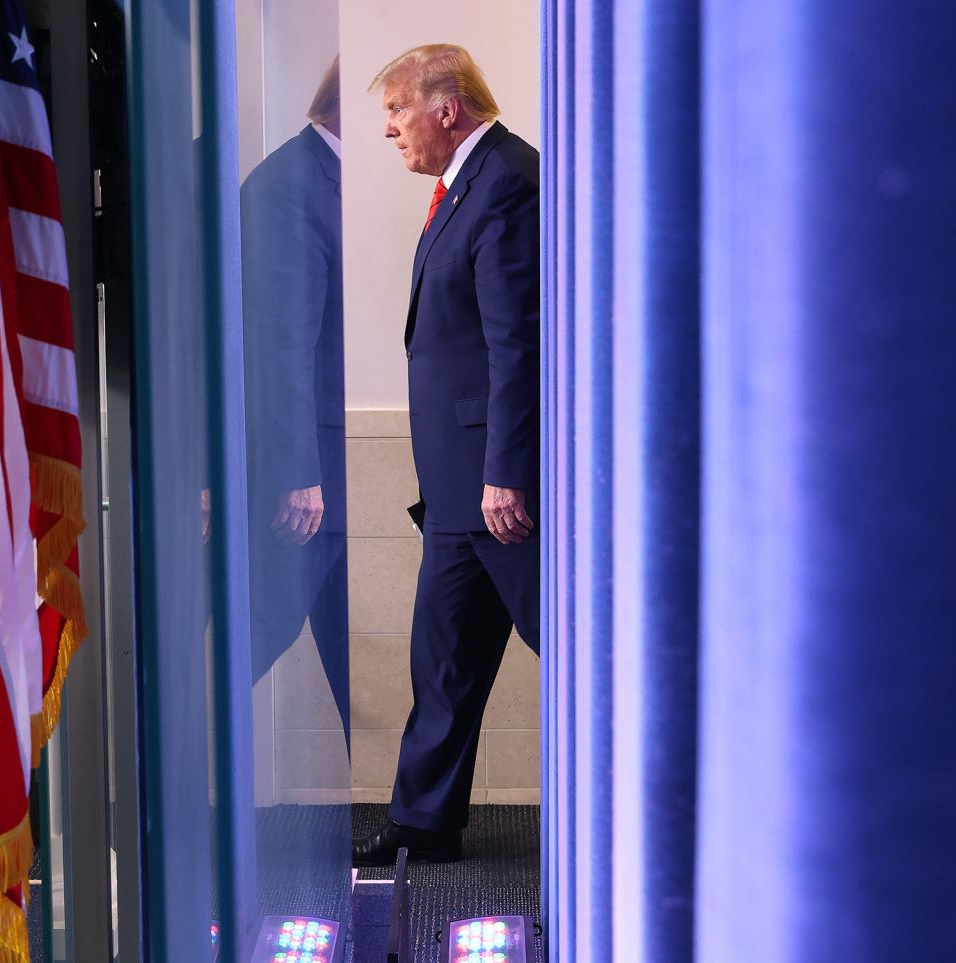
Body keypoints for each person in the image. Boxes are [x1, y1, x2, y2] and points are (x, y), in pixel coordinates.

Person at [352, 44, 540, 867]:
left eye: (396, 110)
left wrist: (507, 470)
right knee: (445, 653)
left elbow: (518, 343)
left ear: (446, 107)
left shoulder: (504, 182)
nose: (390, 129)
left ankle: (659, 797)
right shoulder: (468, 183)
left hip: (499, 487)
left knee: (571, 646)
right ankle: (425, 823)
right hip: (464, 487)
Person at [241, 58, 350, 738]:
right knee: (266, 625)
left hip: (326, 462)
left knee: (339, 639)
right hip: (304, 470)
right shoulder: (291, 185)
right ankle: (150, 785)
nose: (400, 124)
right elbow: (283, 344)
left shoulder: (322, 177)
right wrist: (299, 475)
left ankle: (416, 818)